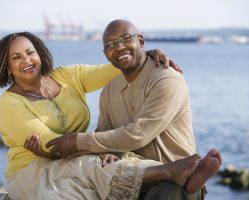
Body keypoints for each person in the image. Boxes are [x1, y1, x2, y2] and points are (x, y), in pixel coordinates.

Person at [0, 31, 200, 200]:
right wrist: (98, 152)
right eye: (16, 57)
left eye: (30, 52)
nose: (27, 60)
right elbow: (51, 145)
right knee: (95, 165)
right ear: (7, 67)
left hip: (74, 155)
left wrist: (146, 54)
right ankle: (168, 172)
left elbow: (118, 66)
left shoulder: (66, 76)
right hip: (33, 171)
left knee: (110, 160)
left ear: (40, 53)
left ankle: (176, 173)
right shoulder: (9, 104)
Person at [42, 19, 222, 199]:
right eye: (111, 44)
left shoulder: (166, 79)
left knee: (166, 192)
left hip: (176, 176)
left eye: (125, 38)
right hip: (135, 176)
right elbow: (104, 135)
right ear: (106, 54)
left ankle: (192, 181)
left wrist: (77, 141)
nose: (119, 47)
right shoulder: (109, 90)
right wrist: (107, 151)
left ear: (141, 41)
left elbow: (139, 134)